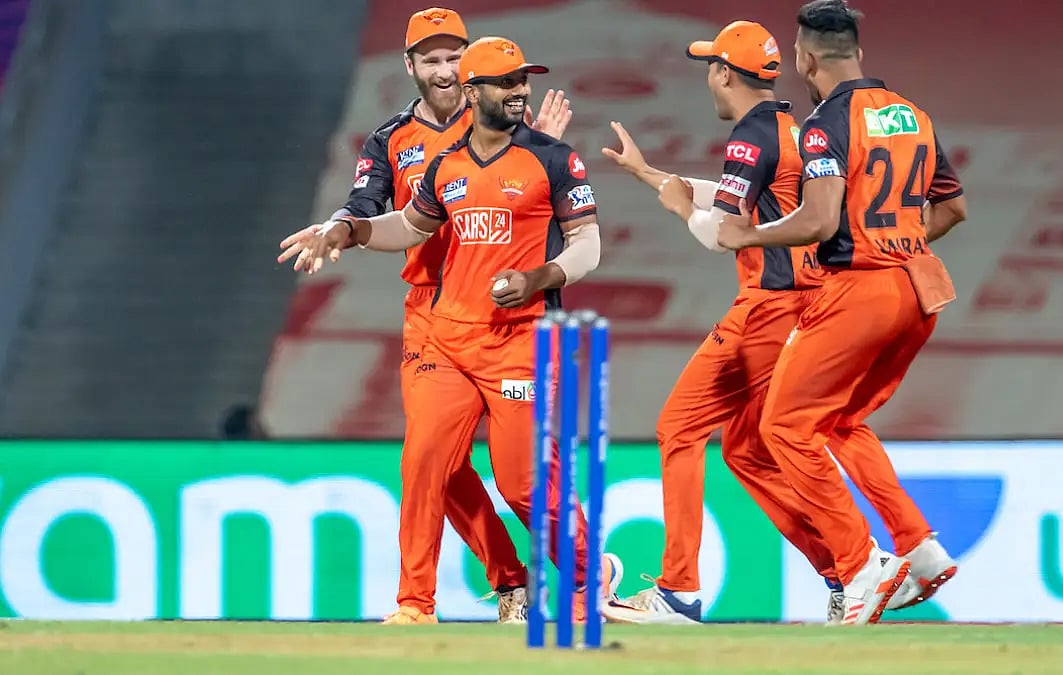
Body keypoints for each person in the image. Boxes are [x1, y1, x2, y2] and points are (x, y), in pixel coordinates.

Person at [281, 36, 619, 625]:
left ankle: (593, 578)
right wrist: (348, 232)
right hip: (445, 335)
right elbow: (408, 227)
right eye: (506, 83)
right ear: (474, 90)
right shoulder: (445, 165)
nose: (519, 92)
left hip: (521, 339)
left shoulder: (554, 158)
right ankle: (415, 604)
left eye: (523, 81)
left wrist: (543, 274)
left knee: (522, 484)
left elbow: (588, 242)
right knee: (426, 460)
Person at [716, 0, 968, 625]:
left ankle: (860, 570)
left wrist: (745, 236)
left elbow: (820, 220)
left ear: (803, 57)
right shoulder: (914, 114)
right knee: (842, 420)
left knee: (783, 429)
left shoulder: (826, 123)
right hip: (920, 290)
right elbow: (953, 209)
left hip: (860, 291)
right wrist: (897, 239)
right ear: (857, 52)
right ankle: (921, 549)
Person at [598, 20, 839, 625]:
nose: (709, 74)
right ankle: (847, 571)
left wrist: (680, 209)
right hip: (802, 305)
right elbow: (736, 197)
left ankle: (679, 590)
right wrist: (651, 176)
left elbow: (722, 232)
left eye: (711, 65)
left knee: (678, 428)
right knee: (745, 450)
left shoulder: (750, 137)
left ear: (724, 74)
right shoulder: (787, 125)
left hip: (766, 306)